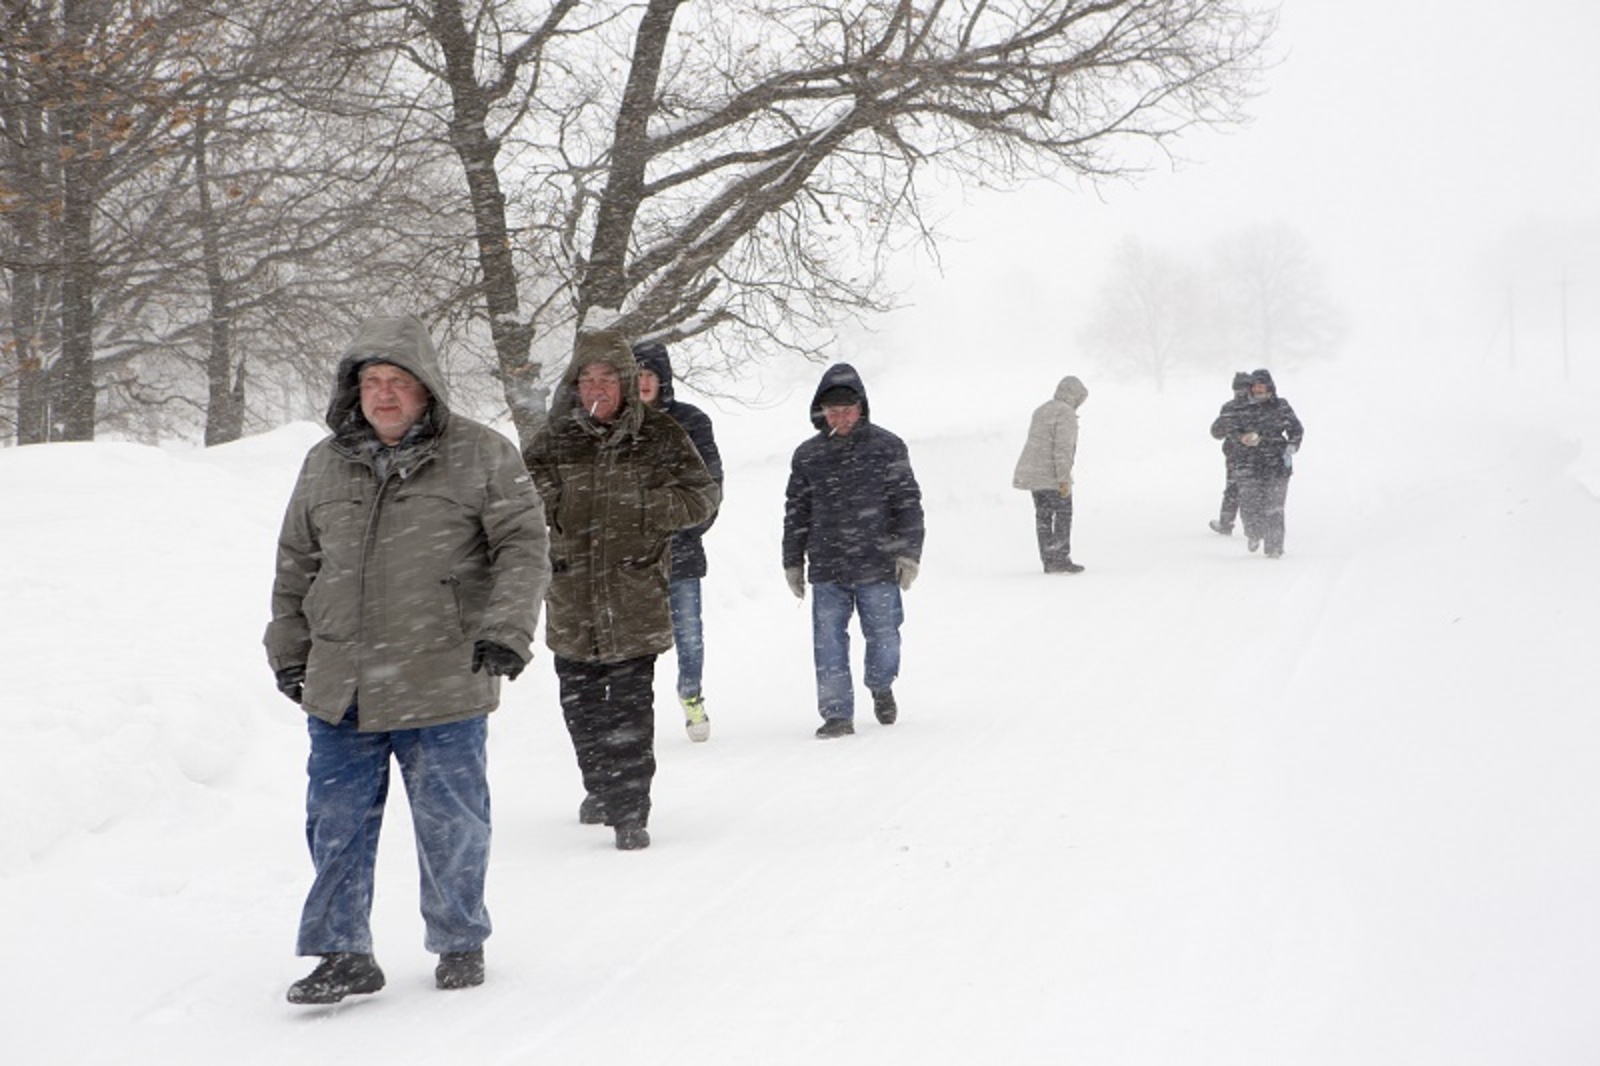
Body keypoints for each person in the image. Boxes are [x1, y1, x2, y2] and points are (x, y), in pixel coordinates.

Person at [264, 314, 550, 1005]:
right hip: (342, 679)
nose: (382, 395)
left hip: (443, 671)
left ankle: (458, 938)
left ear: (427, 390)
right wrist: (289, 649)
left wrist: (506, 628)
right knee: (335, 823)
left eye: (397, 382)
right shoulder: (324, 463)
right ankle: (342, 951)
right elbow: (296, 563)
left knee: (451, 820)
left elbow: (523, 544)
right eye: (370, 382)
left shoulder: (482, 454)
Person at [522, 330, 720, 849]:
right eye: (587, 379)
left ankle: (631, 809)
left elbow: (702, 496)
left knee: (631, 710)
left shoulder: (660, 435)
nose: (597, 388)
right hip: (572, 594)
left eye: (607, 379)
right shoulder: (556, 436)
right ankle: (601, 787)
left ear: (628, 385)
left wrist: (647, 508)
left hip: (634, 593)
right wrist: (555, 502)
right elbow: (521, 489)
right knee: (580, 707)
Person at [782, 363, 925, 738]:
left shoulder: (887, 447)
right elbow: (796, 510)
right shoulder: (808, 456)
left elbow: (908, 503)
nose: (840, 418)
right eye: (833, 411)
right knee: (828, 641)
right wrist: (792, 561)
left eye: (847, 410)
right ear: (821, 412)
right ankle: (836, 715)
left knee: (885, 637)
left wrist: (908, 553)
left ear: (861, 409)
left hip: (877, 564)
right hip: (827, 565)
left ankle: (880, 685)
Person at [632, 341, 724, 742]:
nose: (643, 383)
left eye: (650, 374)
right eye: (636, 375)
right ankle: (636, 710)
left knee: (688, 633)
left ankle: (692, 697)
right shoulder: (616, 424)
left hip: (681, 549)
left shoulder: (692, 422)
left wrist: (686, 529)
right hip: (630, 556)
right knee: (635, 639)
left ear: (663, 379)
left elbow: (710, 485)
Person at [1209, 368, 1304, 558]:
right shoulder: (1238, 408)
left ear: (1270, 387)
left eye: (1262, 386)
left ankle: (1274, 547)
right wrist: (1242, 438)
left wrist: (1292, 446)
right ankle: (1253, 533)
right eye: (1255, 387)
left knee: (1275, 507)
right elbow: (1224, 430)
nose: (1258, 390)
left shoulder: (1281, 406)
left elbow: (1296, 429)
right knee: (1249, 505)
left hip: (1276, 464)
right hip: (1246, 463)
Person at [1012, 375, 1089, 574]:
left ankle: (1048, 560)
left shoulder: (1041, 409)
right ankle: (1060, 558)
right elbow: (1062, 448)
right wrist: (1064, 479)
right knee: (1063, 514)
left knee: (1043, 516)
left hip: (1034, 473)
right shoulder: (1066, 413)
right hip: (1051, 473)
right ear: (1074, 395)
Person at [1208, 370, 1253, 536]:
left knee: (1233, 488)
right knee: (1257, 488)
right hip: (1259, 454)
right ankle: (1259, 522)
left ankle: (1226, 523)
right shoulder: (1260, 407)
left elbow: (1215, 432)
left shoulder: (1229, 408)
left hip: (1235, 454)